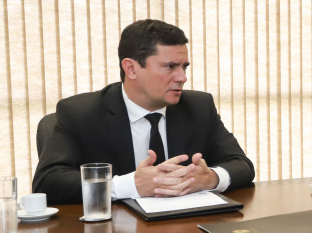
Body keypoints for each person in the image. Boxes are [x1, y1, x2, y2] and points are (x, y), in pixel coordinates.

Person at [33, 19, 255, 205]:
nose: (182, 77)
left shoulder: (199, 107)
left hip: (186, 230)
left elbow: (241, 165)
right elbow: (47, 182)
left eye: (184, 66)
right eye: (170, 66)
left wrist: (211, 178)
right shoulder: (81, 113)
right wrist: (130, 185)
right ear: (131, 68)